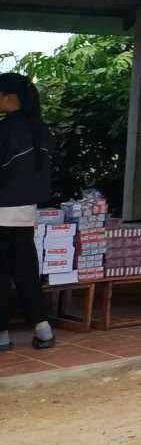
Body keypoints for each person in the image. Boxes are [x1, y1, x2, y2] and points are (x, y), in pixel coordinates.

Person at [0, 72, 55, 352]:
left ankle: (2, 335)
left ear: (10, 97)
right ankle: (43, 329)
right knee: (26, 271)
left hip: (1, 209)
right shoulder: (39, 129)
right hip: (25, 212)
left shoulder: (5, 129)